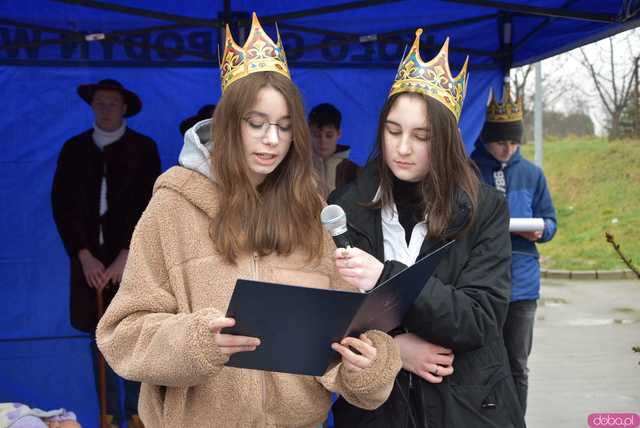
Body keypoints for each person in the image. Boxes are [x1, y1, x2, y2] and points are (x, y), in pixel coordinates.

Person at [95, 13, 401, 428]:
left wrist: (365, 365)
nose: (271, 140)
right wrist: (196, 342)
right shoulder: (172, 206)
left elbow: (344, 330)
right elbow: (123, 334)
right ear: (226, 124)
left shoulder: (312, 212)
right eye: (256, 124)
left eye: (284, 127)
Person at [329, 30, 526, 427]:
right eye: (393, 131)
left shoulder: (484, 208)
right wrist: (395, 350)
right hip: (377, 411)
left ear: (447, 141)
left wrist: (387, 278)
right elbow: (328, 322)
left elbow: (480, 319)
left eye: (421, 136)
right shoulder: (345, 206)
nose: (403, 148)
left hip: (468, 406)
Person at [51, 79, 161, 428]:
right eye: (99, 102)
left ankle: (137, 411)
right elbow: (62, 206)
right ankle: (109, 414)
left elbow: (152, 206)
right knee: (97, 335)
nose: (106, 108)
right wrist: (82, 255)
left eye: (112, 103)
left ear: (124, 107)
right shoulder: (74, 149)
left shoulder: (143, 149)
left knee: (133, 330)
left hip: (132, 257)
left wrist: (127, 254)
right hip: (89, 261)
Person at [471, 82, 557, 414]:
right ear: (486, 139)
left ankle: (515, 420)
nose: (507, 150)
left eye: (513, 142)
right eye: (499, 142)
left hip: (522, 283)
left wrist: (542, 230)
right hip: (483, 281)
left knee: (518, 363)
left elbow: (550, 220)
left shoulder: (533, 174)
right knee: (481, 362)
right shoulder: (471, 170)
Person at [308, 103, 360, 196]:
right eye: (316, 135)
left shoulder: (353, 171)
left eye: (329, 135)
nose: (322, 141)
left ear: (339, 134)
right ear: (308, 133)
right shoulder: (297, 167)